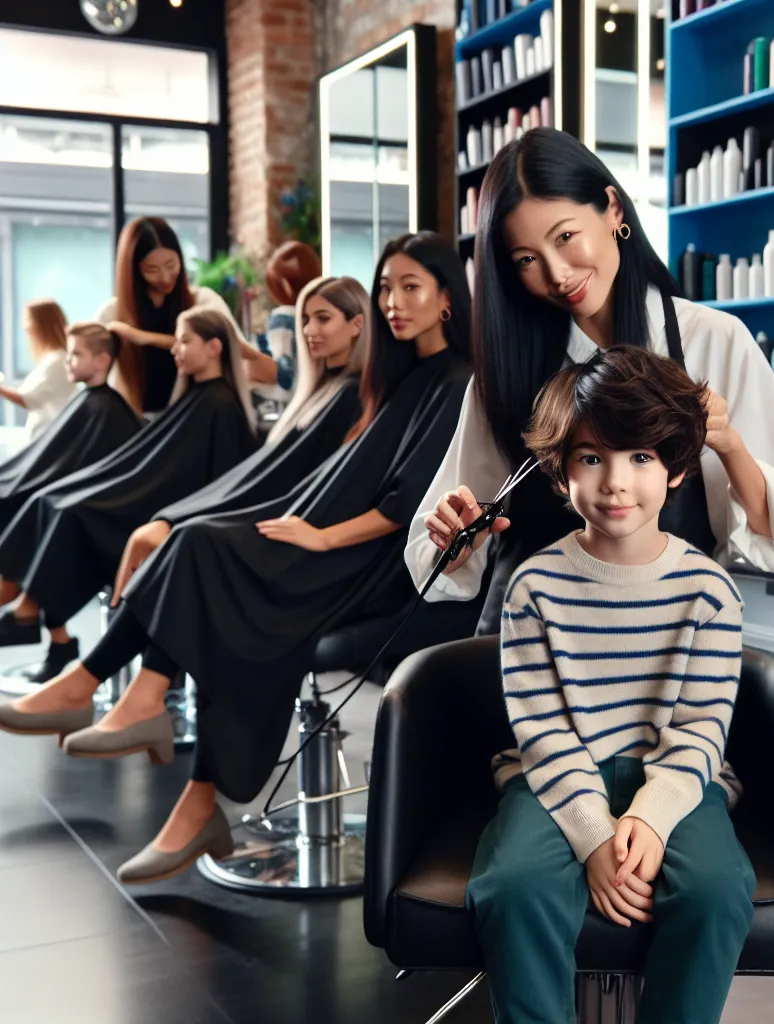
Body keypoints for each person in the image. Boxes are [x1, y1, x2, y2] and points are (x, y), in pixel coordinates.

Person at [0, 232, 474, 886]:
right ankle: (143, 716)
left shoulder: (456, 380)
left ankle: (124, 713)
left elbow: (405, 500)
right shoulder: (398, 378)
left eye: (410, 288)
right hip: (333, 540)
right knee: (196, 544)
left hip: (370, 563)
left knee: (206, 556)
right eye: (386, 287)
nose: (393, 302)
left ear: (449, 297)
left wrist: (319, 538)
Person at [405, 128, 774, 635]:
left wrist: (729, 444)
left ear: (613, 210)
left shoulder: (713, 341)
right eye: (527, 260)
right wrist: (454, 538)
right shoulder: (507, 373)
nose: (557, 274)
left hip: (663, 645)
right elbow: (438, 558)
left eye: (565, 237)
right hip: (528, 650)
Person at [468, 347, 752, 1024]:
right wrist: (596, 836)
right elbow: (539, 731)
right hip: (557, 774)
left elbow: (699, 732)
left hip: (677, 777)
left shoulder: (711, 591)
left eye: (642, 457)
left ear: (677, 468)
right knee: (513, 886)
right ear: (562, 474)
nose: (616, 482)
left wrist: (650, 819)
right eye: (593, 458)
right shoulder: (533, 586)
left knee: (717, 890)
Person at [0, 307, 258, 678]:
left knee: (74, 513)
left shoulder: (218, 405)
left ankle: (32, 617)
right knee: (55, 501)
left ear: (214, 347)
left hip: (170, 514)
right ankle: (33, 616)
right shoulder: (198, 397)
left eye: (184, 340)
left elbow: (193, 477)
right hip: (154, 501)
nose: (175, 349)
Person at [110, 275, 368, 600]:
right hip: (267, 512)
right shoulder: (320, 390)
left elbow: (282, 481)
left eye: (323, 318)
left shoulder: (348, 395)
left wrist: (178, 518)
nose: (308, 330)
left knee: (186, 541)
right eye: (305, 319)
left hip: (289, 529)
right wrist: (172, 516)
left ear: (357, 323)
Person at [98, 217, 272, 414]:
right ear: (133, 271)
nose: (164, 277)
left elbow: (232, 349)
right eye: (151, 270)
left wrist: (140, 337)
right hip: (134, 427)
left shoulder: (203, 302)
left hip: (194, 419)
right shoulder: (111, 313)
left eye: (171, 264)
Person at [0, 323, 141, 539]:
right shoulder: (92, 402)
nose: (66, 360)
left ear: (101, 361)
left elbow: (71, 466)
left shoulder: (103, 410)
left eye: (75, 354)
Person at [0, 300, 77, 440]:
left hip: (52, 439)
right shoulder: (51, 360)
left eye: (27, 319)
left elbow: (27, 399)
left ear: (41, 324)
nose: (24, 326)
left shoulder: (57, 362)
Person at [258, 241, 324, 398]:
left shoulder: (283, 317)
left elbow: (284, 378)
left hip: (294, 404)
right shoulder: (324, 315)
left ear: (285, 285)